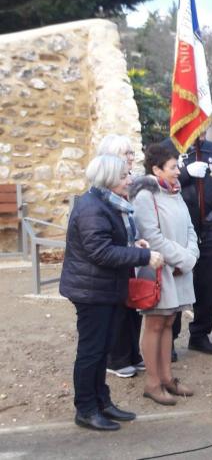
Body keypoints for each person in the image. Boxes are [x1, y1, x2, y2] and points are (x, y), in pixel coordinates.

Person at [60, 154, 164, 431]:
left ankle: (102, 402)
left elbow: (111, 241)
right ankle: (86, 409)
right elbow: (100, 251)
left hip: (106, 288)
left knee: (102, 348)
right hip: (91, 291)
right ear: (108, 179)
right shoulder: (92, 208)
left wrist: (134, 243)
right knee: (91, 352)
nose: (129, 180)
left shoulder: (107, 202)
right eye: (123, 176)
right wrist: (143, 257)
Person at [131, 144, 200, 406]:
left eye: (178, 165)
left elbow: (190, 227)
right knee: (155, 324)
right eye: (173, 167)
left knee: (170, 321)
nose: (178, 171)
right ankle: (152, 382)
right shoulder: (145, 195)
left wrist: (191, 255)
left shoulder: (174, 191)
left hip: (180, 269)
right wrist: (184, 258)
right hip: (160, 269)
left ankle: (168, 378)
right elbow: (151, 237)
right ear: (156, 169)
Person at [160, 134, 212, 357]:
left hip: (211, 227)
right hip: (179, 229)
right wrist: (184, 174)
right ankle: (169, 340)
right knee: (174, 284)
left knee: (207, 285)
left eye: (204, 125)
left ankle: (200, 335)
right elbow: (156, 187)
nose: (200, 131)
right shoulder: (166, 149)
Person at [97, 135, 144, 379]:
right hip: (113, 260)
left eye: (130, 153)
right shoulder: (104, 191)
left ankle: (132, 352)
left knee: (132, 307)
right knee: (117, 310)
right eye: (124, 153)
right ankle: (116, 358)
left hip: (128, 254)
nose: (130, 158)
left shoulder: (128, 183)